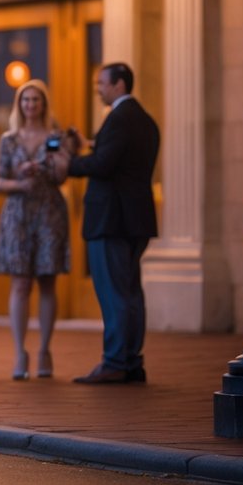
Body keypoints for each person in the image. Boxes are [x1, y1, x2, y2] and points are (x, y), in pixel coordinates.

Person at [65, 62, 160, 385]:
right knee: (131, 291)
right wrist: (90, 145)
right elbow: (121, 160)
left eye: (101, 83)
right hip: (136, 219)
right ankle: (131, 361)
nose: (97, 89)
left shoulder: (118, 119)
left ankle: (115, 361)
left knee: (114, 293)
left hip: (111, 220)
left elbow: (105, 165)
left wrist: (70, 163)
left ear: (119, 85)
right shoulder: (145, 121)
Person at [0, 80, 72, 380]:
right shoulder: (8, 140)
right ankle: (19, 352)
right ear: (19, 104)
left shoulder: (56, 136)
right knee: (21, 283)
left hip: (49, 211)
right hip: (18, 213)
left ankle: (45, 350)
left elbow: (63, 178)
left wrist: (59, 162)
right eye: (25, 100)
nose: (30, 105)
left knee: (47, 280)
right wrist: (19, 179)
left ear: (43, 104)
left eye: (36, 100)